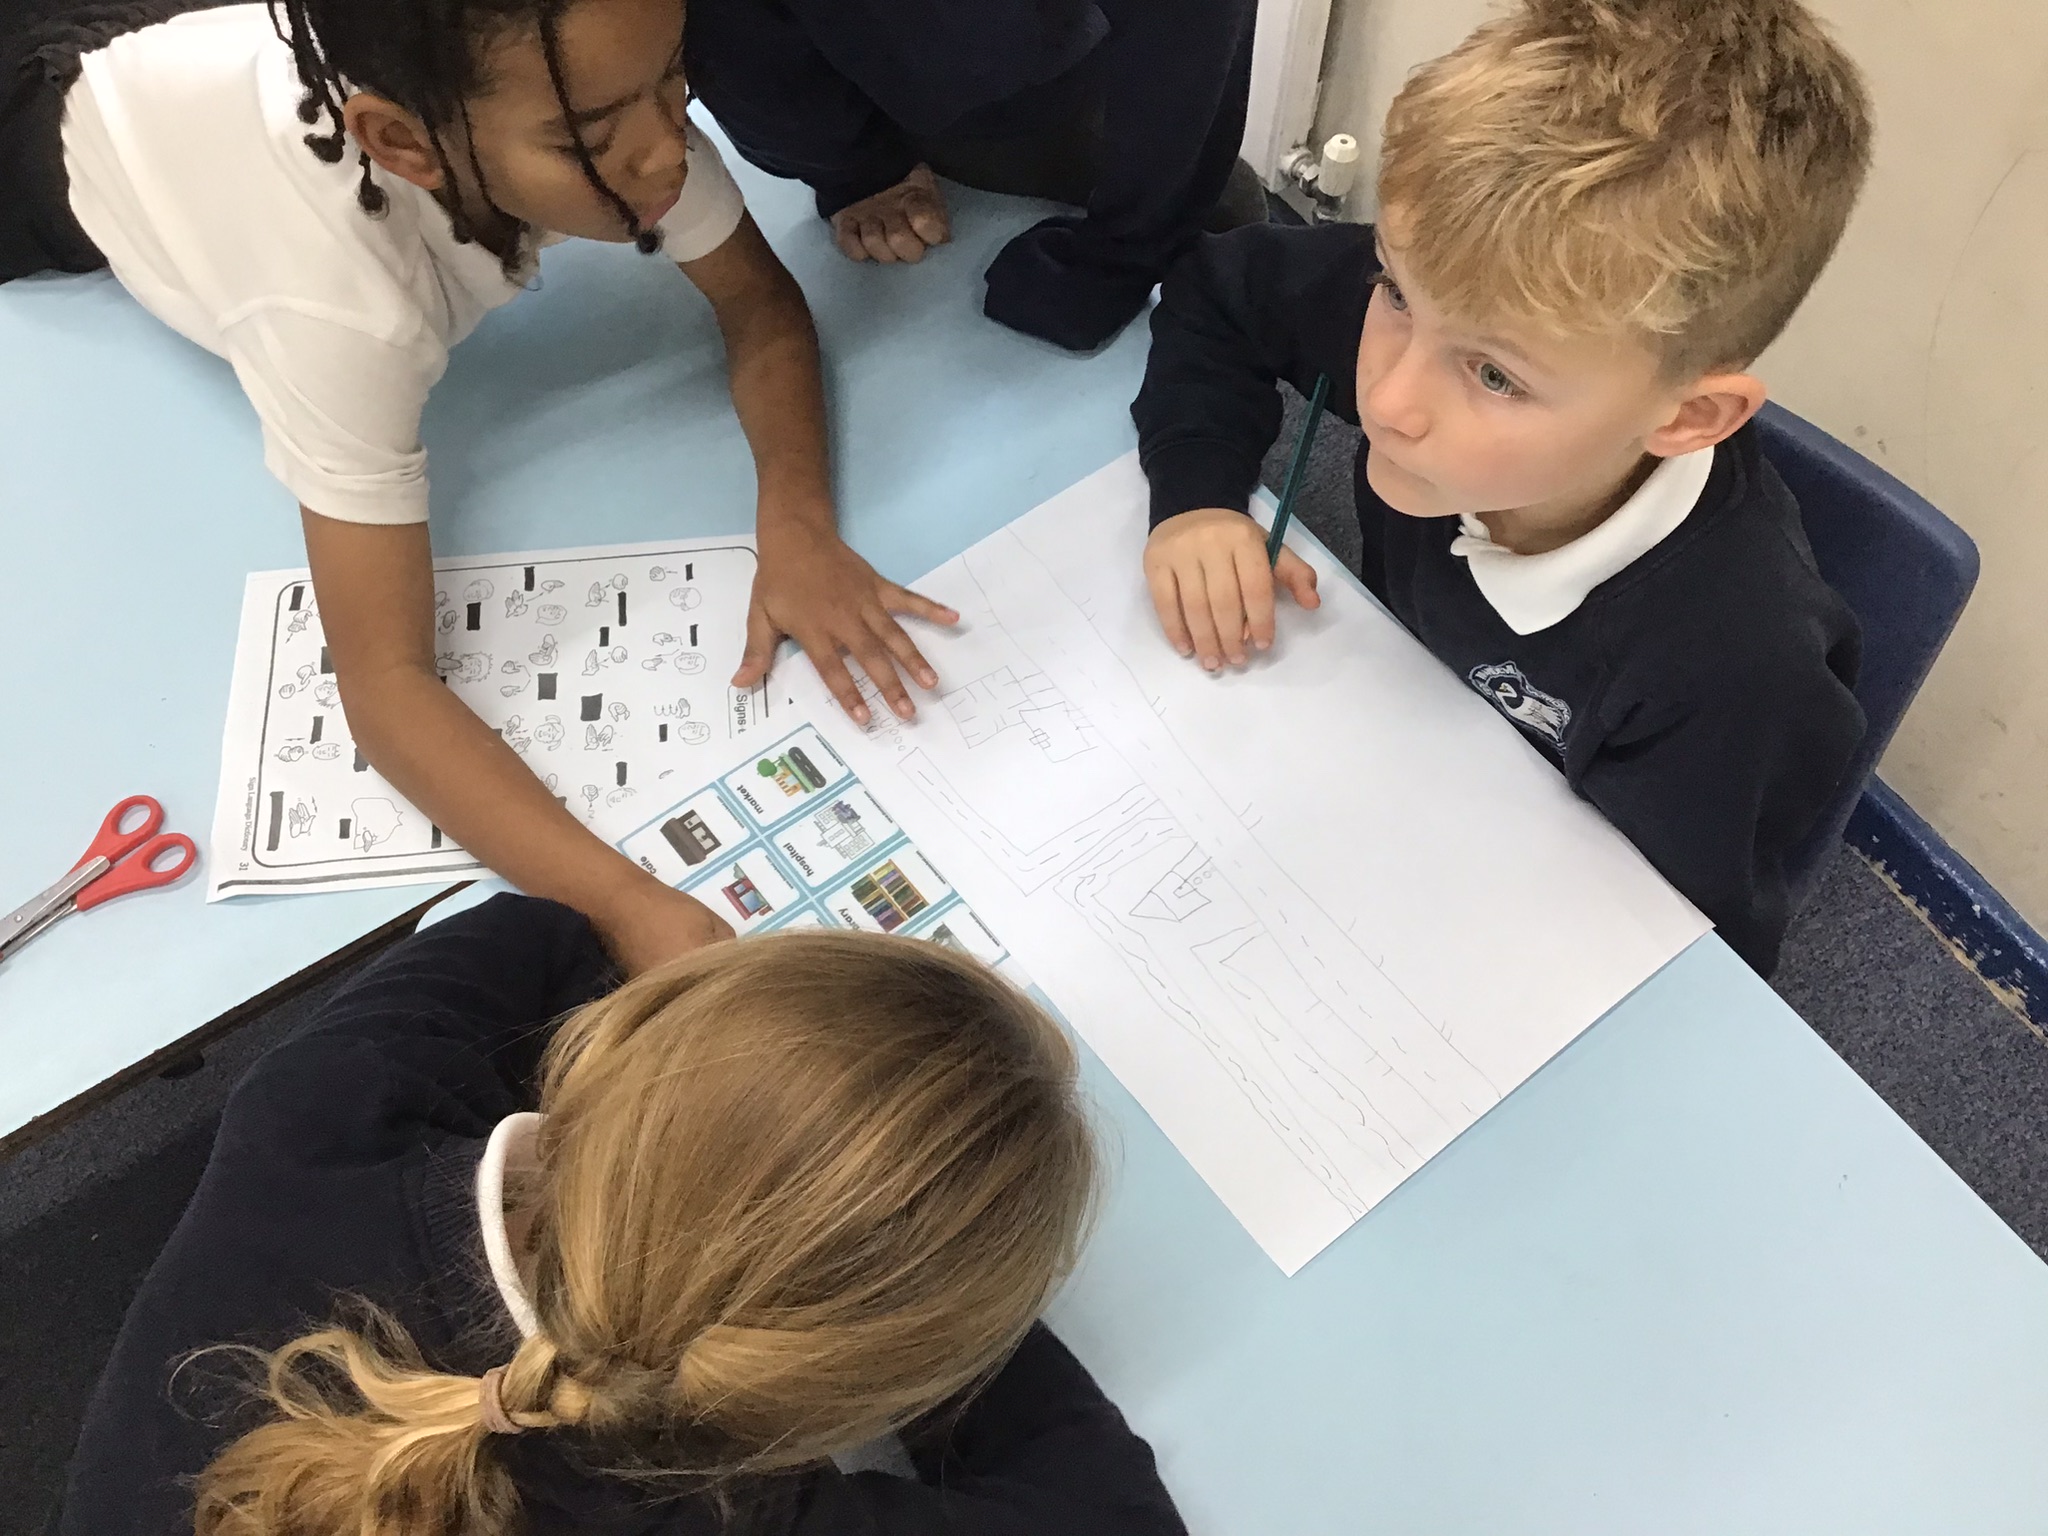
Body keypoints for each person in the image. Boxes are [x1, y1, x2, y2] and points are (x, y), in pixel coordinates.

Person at [0, 0, 954, 974]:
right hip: (46, 120)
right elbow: (384, 686)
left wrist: (797, 525)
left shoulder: (590, 97)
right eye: (588, 137)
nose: (669, 149)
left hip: (188, 49)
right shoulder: (341, 308)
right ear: (403, 145)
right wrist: (621, 903)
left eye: (676, 76)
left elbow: (759, 304)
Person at [1130, 0, 1873, 975]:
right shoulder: (1464, 306)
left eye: (1493, 376)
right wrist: (1196, 496)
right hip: (1389, 734)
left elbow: (1679, 940)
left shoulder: (1733, 672)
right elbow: (1216, 296)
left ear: (1689, 417)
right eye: (1395, 291)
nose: (1387, 399)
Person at [59, 893, 1185, 1536]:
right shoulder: (728, 1512)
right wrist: (912, 1282)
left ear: (614, 1051)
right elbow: (1112, 1514)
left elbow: (528, 936)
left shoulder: (328, 1116)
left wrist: (726, 1114)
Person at [684, 0, 1262, 353]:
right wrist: (855, 166)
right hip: (859, 71)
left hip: (1041, 63)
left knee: (1227, 221)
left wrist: (1126, 248)